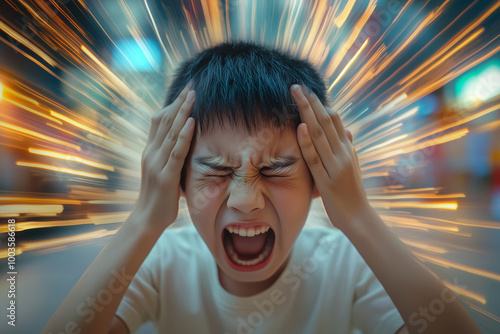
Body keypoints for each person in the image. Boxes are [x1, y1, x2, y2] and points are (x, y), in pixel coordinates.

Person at [43, 41, 480, 334]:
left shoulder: (345, 265)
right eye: (215, 171)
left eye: (275, 170)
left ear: (319, 178)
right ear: (176, 178)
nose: (246, 200)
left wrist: (359, 217)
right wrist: (144, 220)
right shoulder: (162, 264)